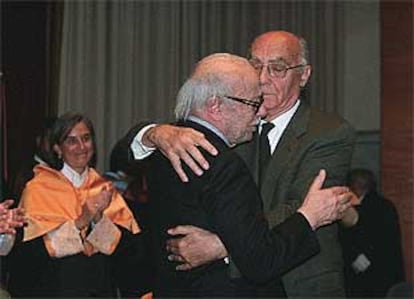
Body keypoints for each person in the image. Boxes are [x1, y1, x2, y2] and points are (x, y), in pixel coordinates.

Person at [127, 30, 356, 297]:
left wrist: (224, 245)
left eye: (278, 68)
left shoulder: (329, 132)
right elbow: (128, 155)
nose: (262, 78)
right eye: (256, 65)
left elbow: (303, 206)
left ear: (304, 74)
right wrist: (154, 133)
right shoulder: (233, 126)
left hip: (300, 284)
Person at [7, 112, 141, 297]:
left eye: (86, 139)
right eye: (71, 141)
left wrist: (98, 219)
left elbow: (127, 254)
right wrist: (81, 220)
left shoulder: (104, 188)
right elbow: (30, 255)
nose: (81, 147)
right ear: (58, 148)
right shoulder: (38, 188)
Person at [340, 168, 405, 297]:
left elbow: (347, 237)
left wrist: (355, 256)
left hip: (365, 274)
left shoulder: (352, 208)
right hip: (386, 272)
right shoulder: (386, 206)